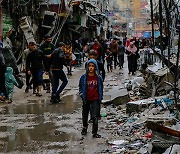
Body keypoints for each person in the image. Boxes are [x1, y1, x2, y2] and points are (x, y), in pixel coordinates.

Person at [79, 59, 103, 138]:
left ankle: (94, 132)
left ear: (95, 67)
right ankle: (85, 127)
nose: (91, 68)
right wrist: (81, 94)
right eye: (89, 66)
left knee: (95, 116)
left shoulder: (98, 77)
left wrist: (100, 97)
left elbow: (101, 88)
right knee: (85, 115)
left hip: (95, 99)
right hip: (86, 98)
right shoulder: (83, 77)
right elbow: (80, 86)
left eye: (93, 66)